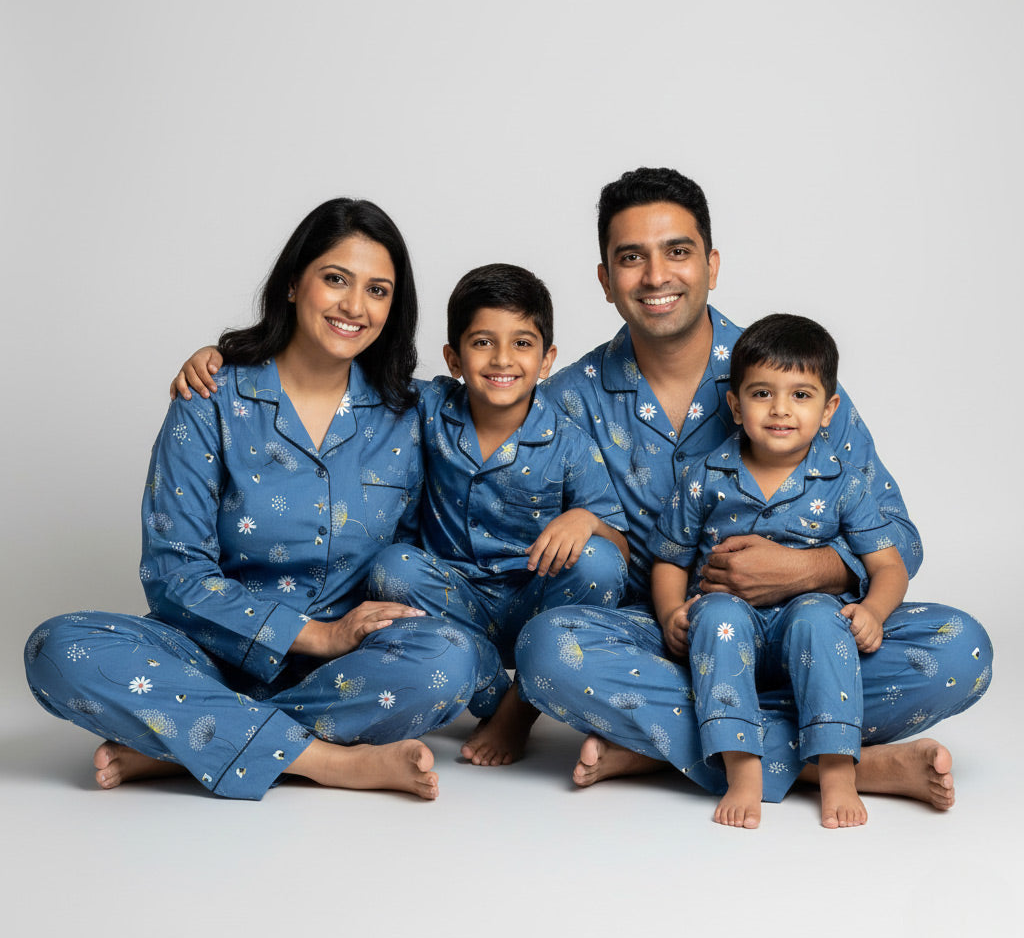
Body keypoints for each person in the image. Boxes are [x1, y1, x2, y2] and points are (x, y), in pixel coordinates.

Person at [513, 167, 992, 812]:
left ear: (711, 264)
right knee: (547, 649)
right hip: (670, 639)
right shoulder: (569, 400)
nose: (656, 276)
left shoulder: (787, 373)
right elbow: (545, 558)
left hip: (816, 635)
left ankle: (672, 748)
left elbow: (898, 539)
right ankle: (831, 761)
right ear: (605, 279)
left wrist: (807, 570)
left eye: (677, 252)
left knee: (962, 648)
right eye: (632, 258)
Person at [24, 197, 493, 801]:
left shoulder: (414, 411)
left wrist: (594, 516)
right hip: (204, 653)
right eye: (335, 279)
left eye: (378, 291)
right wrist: (315, 635)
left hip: (348, 668)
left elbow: (514, 388)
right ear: (294, 283)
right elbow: (173, 574)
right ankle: (326, 761)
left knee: (447, 661)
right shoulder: (211, 398)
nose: (355, 306)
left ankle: (188, 741)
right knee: (57, 648)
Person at [651, 313, 908, 829]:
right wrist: (670, 614)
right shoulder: (705, 476)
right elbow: (669, 557)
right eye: (762, 393)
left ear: (829, 408)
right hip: (728, 620)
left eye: (801, 395)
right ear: (734, 404)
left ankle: (837, 769)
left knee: (819, 616)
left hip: (809, 628)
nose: (780, 410)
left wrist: (875, 612)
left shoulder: (844, 481)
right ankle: (742, 768)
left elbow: (890, 565)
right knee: (717, 612)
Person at [367, 263, 629, 766]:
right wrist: (228, 355)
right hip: (452, 605)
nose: (503, 359)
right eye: (483, 342)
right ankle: (489, 686)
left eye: (522, 344)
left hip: (536, 602)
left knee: (599, 562)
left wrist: (587, 521)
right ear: (454, 357)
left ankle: (517, 710)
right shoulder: (427, 407)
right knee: (391, 567)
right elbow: (349, 374)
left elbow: (620, 552)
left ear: (548, 358)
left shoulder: (569, 442)